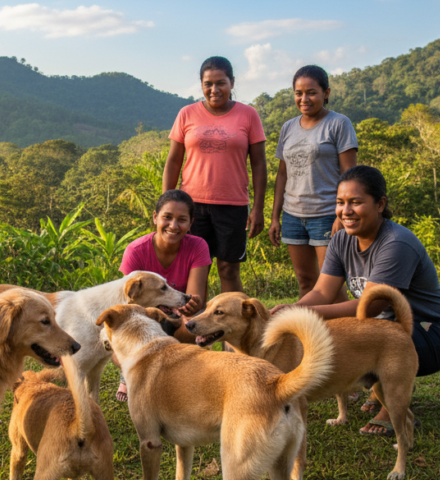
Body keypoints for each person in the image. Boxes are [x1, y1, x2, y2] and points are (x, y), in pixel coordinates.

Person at [272, 165, 440, 436]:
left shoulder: (396, 244)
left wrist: (300, 315)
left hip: (429, 334)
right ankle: (380, 385)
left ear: (380, 204)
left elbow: (370, 307)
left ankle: (392, 401)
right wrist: (291, 309)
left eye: (356, 202)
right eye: (340, 203)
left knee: (380, 341)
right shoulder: (340, 240)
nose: (345, 211)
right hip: (382, 331)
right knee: (348, 339)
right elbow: (323, 291)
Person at [163, 56, 266, 294]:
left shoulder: (248, 115)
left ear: (231, 82)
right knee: (195, 269)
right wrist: (166, 203)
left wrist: (258, 208)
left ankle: (233, 326)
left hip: (233, 205)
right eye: (208, 84)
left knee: (229, 269)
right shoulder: (187, 113)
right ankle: (192, 325)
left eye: (221, 83)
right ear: (201, 84)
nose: (214, 89)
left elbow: (259, 164)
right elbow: (174, 160)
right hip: (192, 206)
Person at [269, 65, 357, 298]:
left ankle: (342, 335)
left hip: (327, 214)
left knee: (332, 286)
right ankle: (309, 334)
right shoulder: (288, 127)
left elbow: (350, 175)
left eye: (311, 92)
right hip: (293, 215)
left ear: (325, 93)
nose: (304, 98)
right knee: (306, 281)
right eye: (299, 93)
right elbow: (282, 175)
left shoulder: (339, 124)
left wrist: (341, 215)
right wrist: (275, 217)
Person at [114, 189, 211, 401]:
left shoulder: (198, 246)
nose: (173, 226)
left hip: (179, 314)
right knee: (118, 346)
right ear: (155, 217)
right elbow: (127, 301)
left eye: (182, 220)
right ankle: (129, 373)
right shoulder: (136, 250)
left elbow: (194, 298)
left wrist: (189, 309)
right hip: (144, 316)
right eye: (167, 217)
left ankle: (172, 370)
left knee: (195, 325)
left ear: (191, 222)